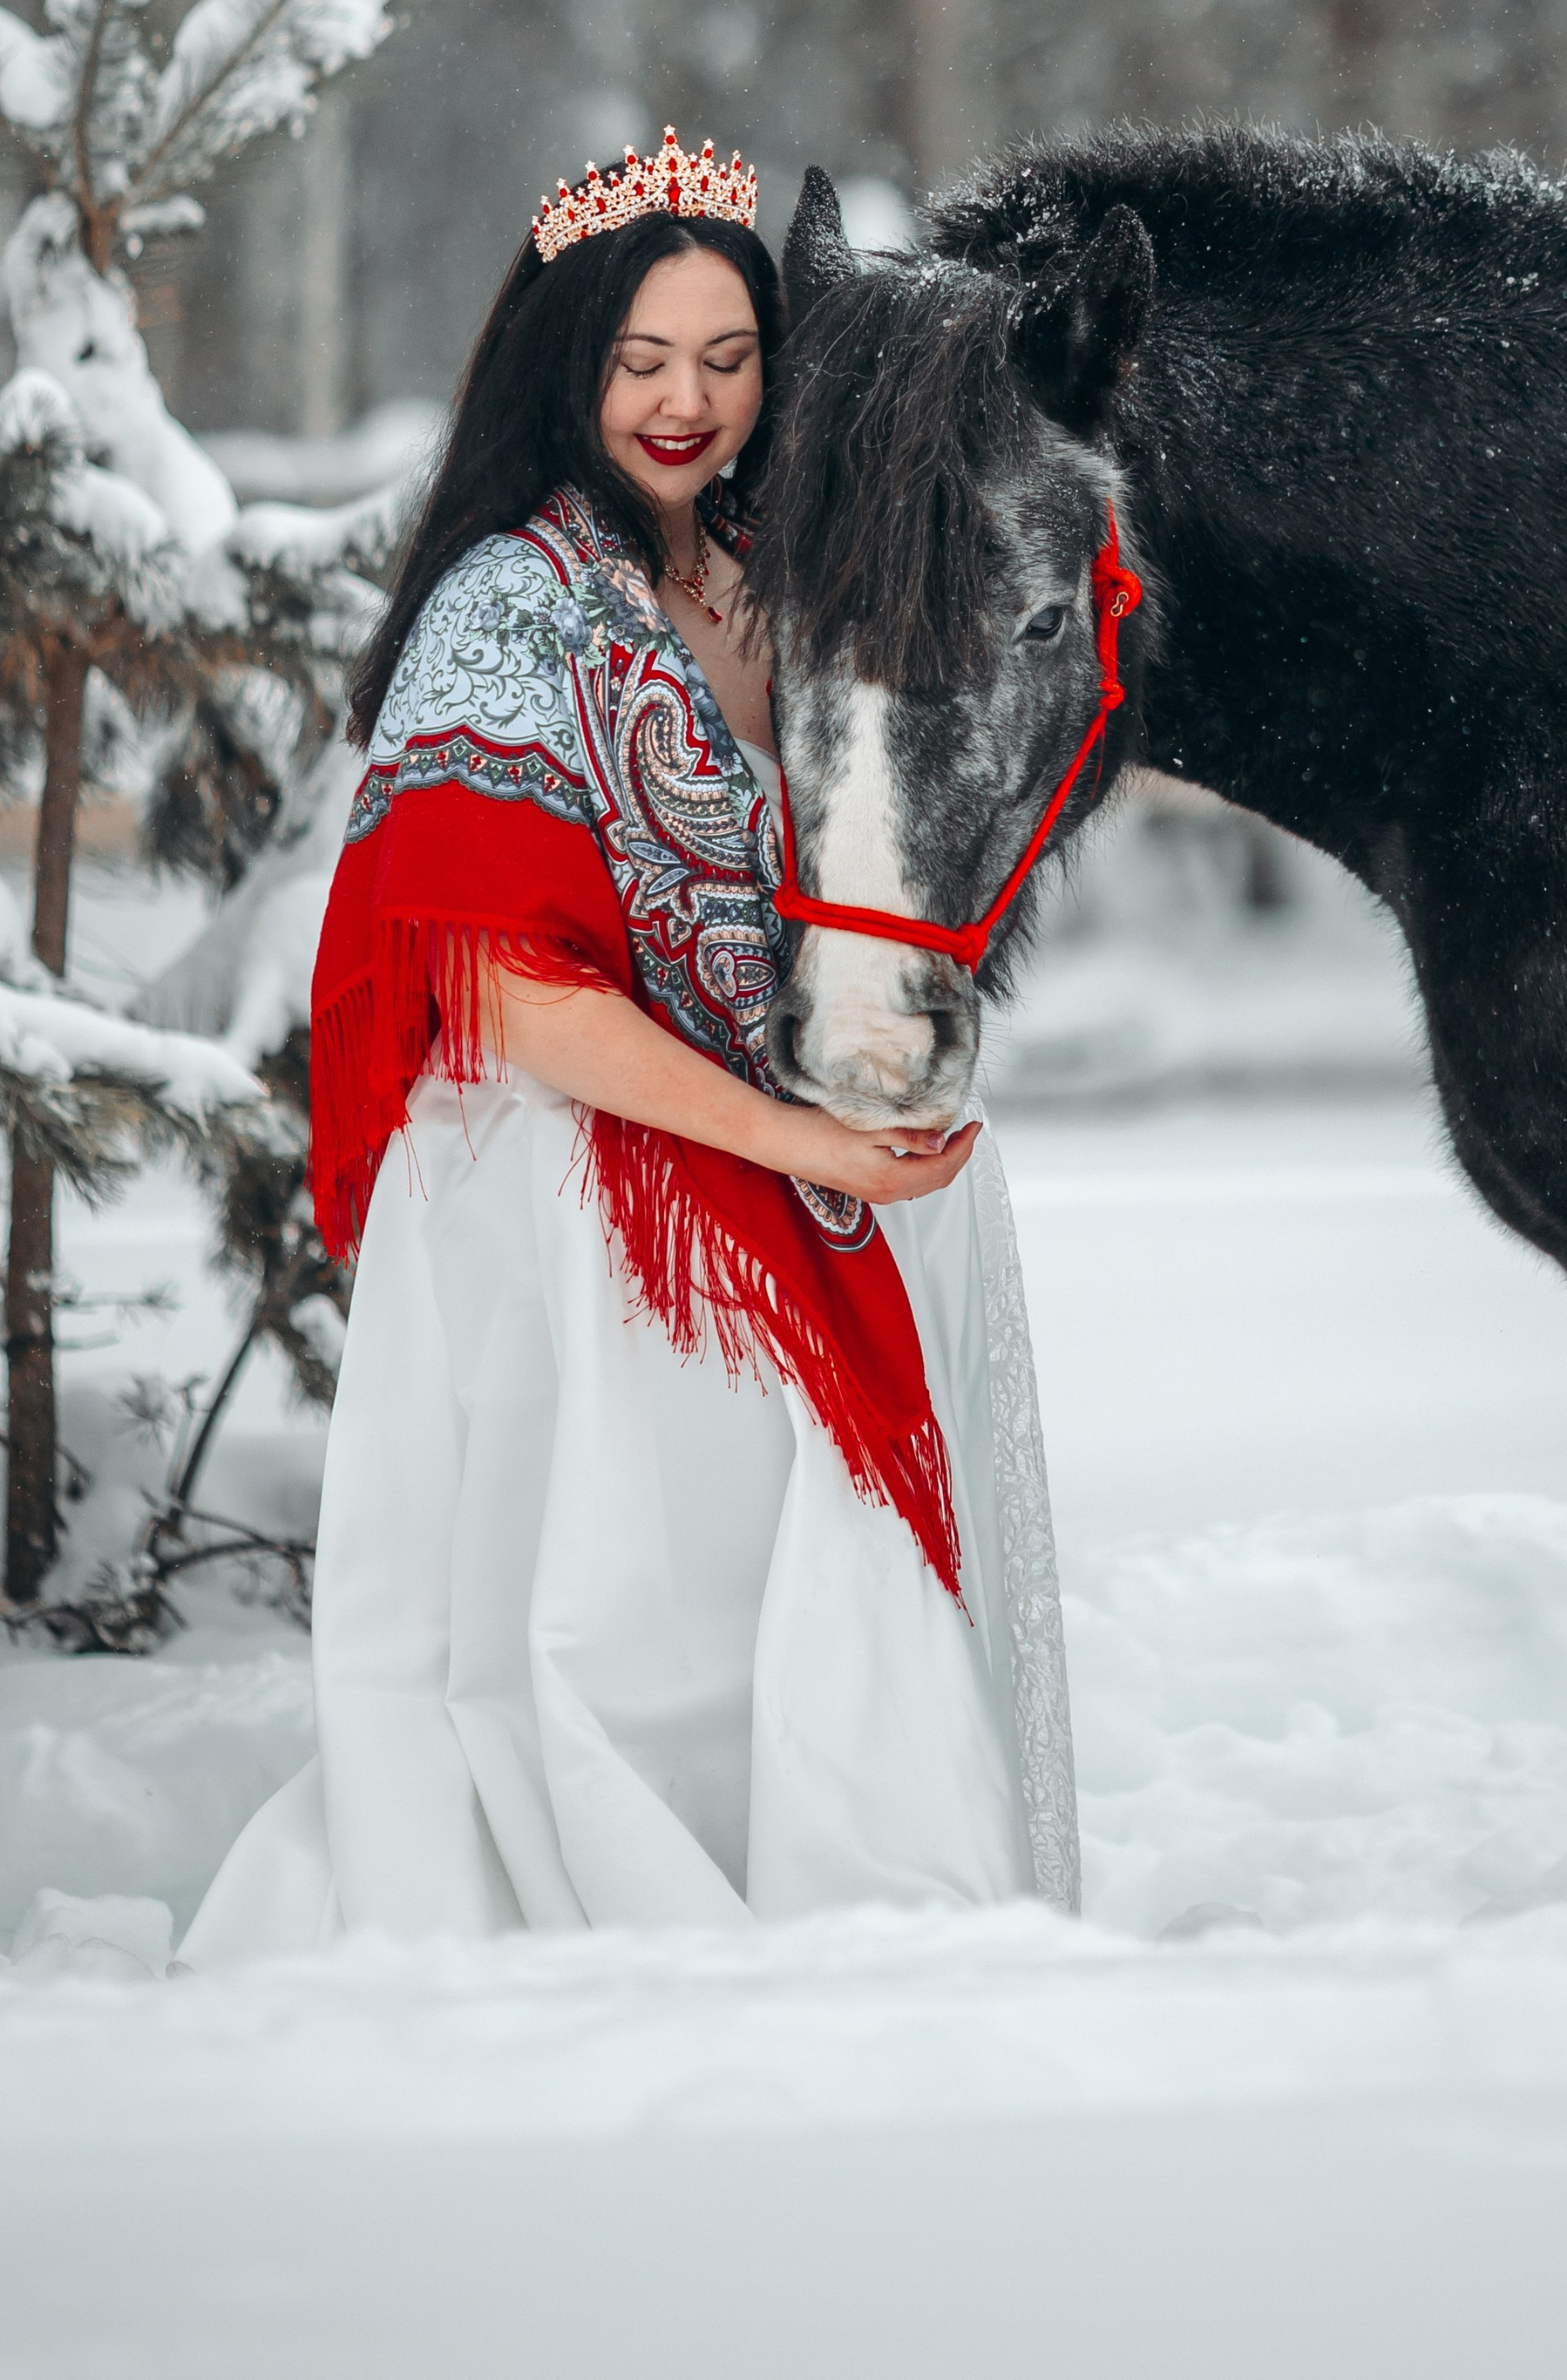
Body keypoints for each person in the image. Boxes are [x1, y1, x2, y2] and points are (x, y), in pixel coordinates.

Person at [183, 132, 1077, 1956]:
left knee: (824, 1584)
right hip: (578, 1202)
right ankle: (665, 1924)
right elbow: (503, 991)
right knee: (620, 1620)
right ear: (566, 363)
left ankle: (870, 1922)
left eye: (729, 359)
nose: (688, 403)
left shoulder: (787, 574)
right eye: (642, 361)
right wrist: (799, 1145)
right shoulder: (509, 606)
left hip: (783, 1175)